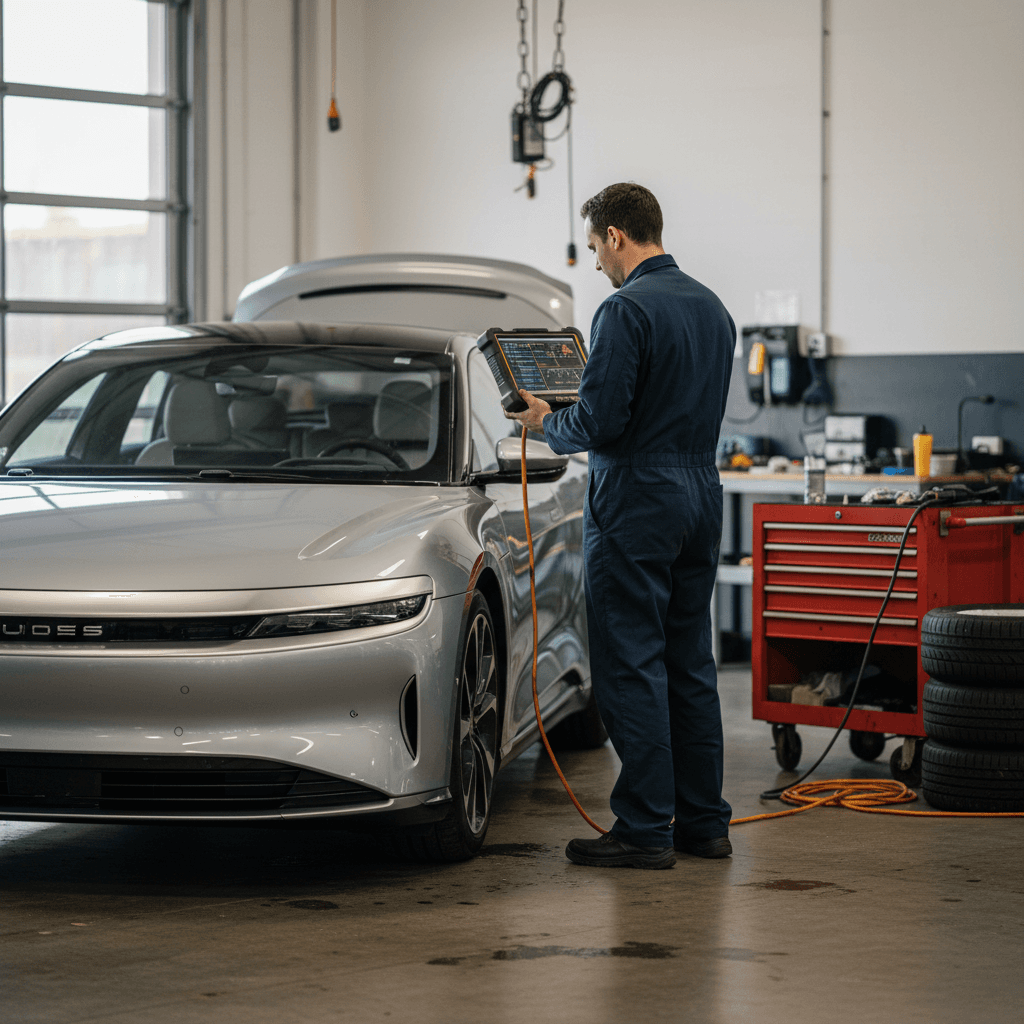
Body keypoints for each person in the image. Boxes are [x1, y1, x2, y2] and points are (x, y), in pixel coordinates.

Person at [508, 182, 735, 870]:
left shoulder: (624, 310)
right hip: (700, 492)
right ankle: (703, 824)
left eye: (596, 248)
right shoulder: (713, 308)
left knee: (630, 661)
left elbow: (599, 424)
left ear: (615, 236)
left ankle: (643, 827)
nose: (597, 263)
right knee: (689, 661)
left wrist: (546, 421)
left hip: (637, 496)